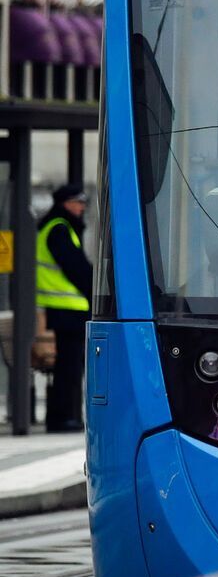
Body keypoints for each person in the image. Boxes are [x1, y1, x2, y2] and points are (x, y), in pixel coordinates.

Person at [35, 183, 92, 432]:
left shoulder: (59, 227)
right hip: (66, 307)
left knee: (69, 366)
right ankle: (62, 418)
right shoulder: (59, 229)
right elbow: (77, 268)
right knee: (68, 368)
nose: (81, 207)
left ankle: (66, 416)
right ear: (65, 204)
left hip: (66, 308)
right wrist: (96, 289)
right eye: (77, 202)